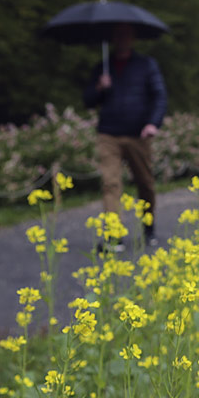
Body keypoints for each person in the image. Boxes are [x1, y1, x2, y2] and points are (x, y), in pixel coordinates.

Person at [83, 22, 166, 249]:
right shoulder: (102, 67)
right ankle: (113, 235)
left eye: (126, 34)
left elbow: (159, 96)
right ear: (112, 38)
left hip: (139, 133)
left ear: (132, 38)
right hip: (108, 133)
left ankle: (148, 228)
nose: (122, 38)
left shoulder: (146, 65)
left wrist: (152, 123)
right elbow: (88, 100)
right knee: (110, 184)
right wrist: (99, 88)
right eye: (117, 34)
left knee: (145, 183)